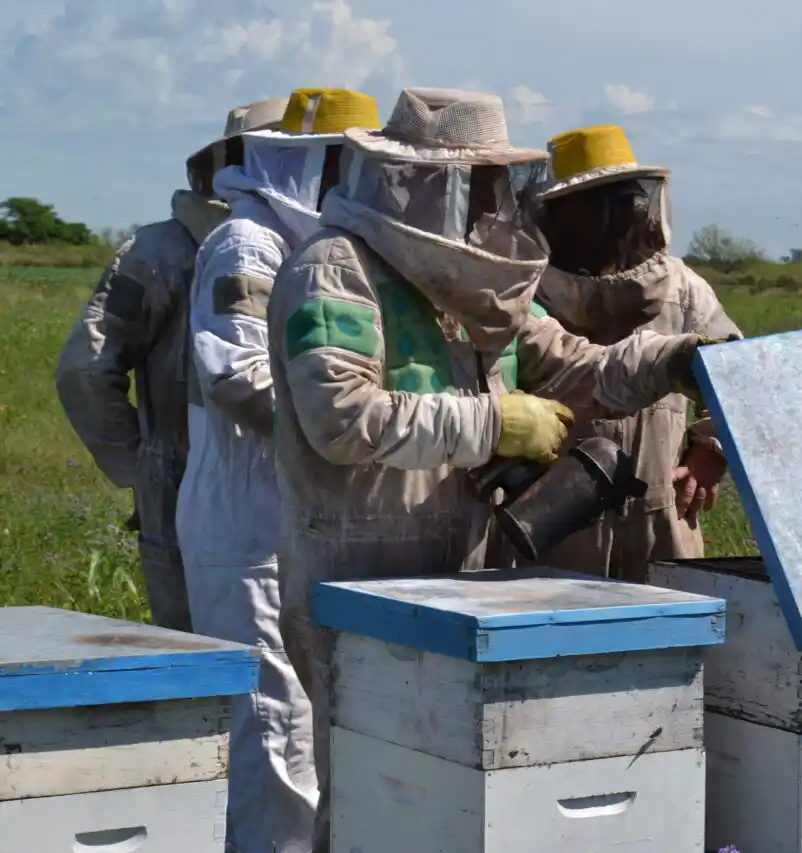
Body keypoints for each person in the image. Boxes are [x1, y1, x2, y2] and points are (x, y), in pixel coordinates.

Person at [265, 87, 725, 851]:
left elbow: (582, 369)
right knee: (374, 792)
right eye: (478, 185)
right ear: (423, 183)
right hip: (357, 576)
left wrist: (673, 361)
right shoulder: (335, 271)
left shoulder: (482, 295)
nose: (493, 205)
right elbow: (338, 417)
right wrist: (493, 422)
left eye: (497, 186)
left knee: (457, 801)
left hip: (467, 574)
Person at [177, 87, 381, 853]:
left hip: (296, 518)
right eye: (351, 165)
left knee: (310, 731)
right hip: (249, 525)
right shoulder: (247, 244)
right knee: (276, 740)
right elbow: (234, 371)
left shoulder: (322, 249)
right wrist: (342, 432)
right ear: (310, 163)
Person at [54, 97, 288, 633]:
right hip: (210, 486)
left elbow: (84, 369)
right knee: (214, 675)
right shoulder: (162, 250)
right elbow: (86, 370)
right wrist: (142, 466)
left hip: (225, 489)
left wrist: (145, 470)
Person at [528, 124, 742, 583]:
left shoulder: (683, 290)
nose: (622, 214)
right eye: (599, 203)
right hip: (554, 526)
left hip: (662, 517)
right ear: (559, 212)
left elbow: (739, 372)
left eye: (627, 199)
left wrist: (712, 448)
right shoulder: (526, 295)